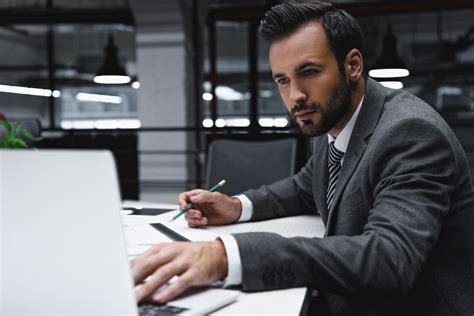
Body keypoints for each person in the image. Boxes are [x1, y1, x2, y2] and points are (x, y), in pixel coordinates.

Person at [131, 2, 474, 315]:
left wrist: (228, 256)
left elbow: (389, 258)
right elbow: (306, 186)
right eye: (282, 80)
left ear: (352, 65)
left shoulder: (410, 133)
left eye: (309, 71)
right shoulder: (331, 118)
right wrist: (237, 206)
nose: (295, 96)